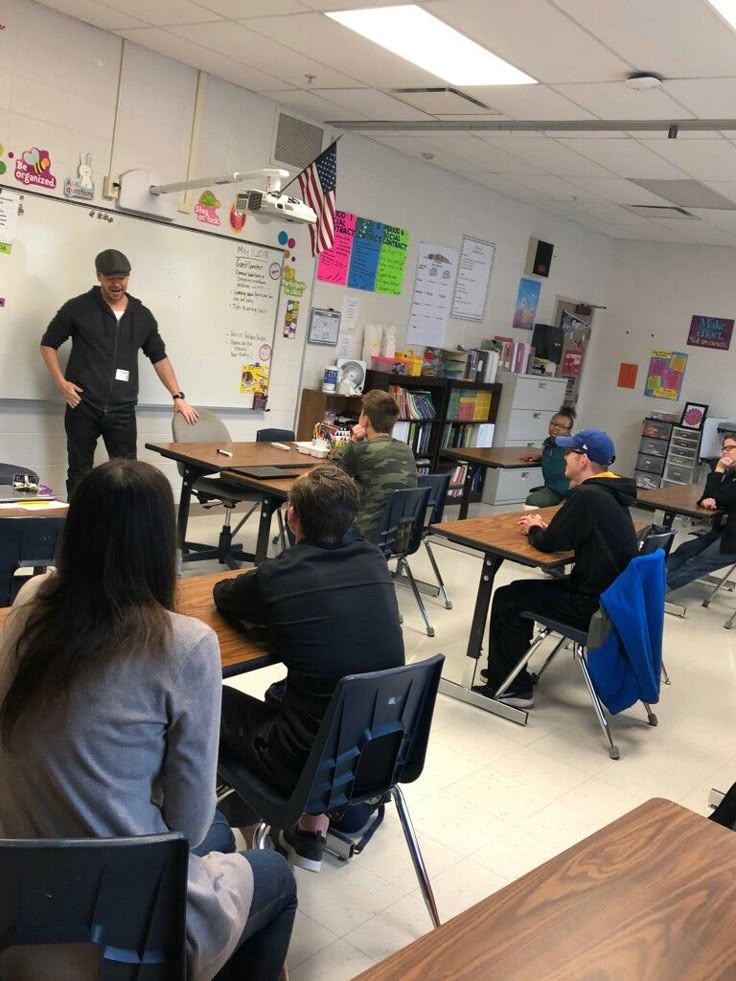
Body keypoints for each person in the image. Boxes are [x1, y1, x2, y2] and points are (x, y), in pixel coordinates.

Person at [0, 460, 296, 981]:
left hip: (21, 899)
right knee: (272, 873)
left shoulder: (28, 604)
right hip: (117, 928)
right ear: (163, 544)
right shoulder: (183, 644)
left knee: (222, 836)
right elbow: (187, 822)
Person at [214, 463, 405, 872]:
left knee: (207, 697)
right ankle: (312, 828)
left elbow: (225, 596)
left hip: (304, 761)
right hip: (378, 748)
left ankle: (236, 825)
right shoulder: (373, 558)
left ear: (292, 515)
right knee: (287, 692)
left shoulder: (281, 575)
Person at [474, 429, 638, 708]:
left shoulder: (587, 496)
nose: (564, 456)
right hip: (612, 602)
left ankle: (514, 688)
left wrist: (535, 528)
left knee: (508, 598)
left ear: (583, 460)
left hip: (592, 607)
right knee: (515, 591)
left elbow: (548, 544)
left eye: (570, 452)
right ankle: (507, 671)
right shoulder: (611, 491)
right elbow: (573, 535)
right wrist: (551, 530)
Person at [40, 249, 199, 498]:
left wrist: (177, 396)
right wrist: (61, 383)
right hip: (83, 405)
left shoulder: (141, 315)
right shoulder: (78, 307)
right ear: (99, 276)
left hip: (122, 410)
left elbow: (159, 356)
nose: (117, 284)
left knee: (127, 475)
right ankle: (79, 530)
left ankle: (123, 530)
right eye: (111, 278)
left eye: (122, 278)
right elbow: (48, 343)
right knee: (79, 473)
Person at [332, 389, 417, 543]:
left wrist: (352, 441)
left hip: (366, 536)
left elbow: (330, 475)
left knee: (308, 513)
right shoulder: (406, 449)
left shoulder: (361, 450)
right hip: (400, 538)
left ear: (365, 420)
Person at [666, 433, 736, 593]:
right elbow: (709, 497)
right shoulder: (733, 474)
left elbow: (715, 496)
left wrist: (719, 469)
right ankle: (650, 576)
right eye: (723, 448)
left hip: (732, 540)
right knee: (686, 549)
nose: (725, 453)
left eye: (730, 448)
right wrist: (712, 495)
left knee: (697, 562)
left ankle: (654, 592)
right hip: (724, 531)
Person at [523, 406, 576, 507]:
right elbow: (556, 458)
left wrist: (570, 488)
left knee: (533, 501)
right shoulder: (548, 443)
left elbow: (584, 472)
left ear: (569, 431)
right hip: (552, 489)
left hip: (569, 491)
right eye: (554, 424)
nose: (556, 428)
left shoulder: (572, 447)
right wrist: (541, 457)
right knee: (532, 500)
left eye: (562, 426)